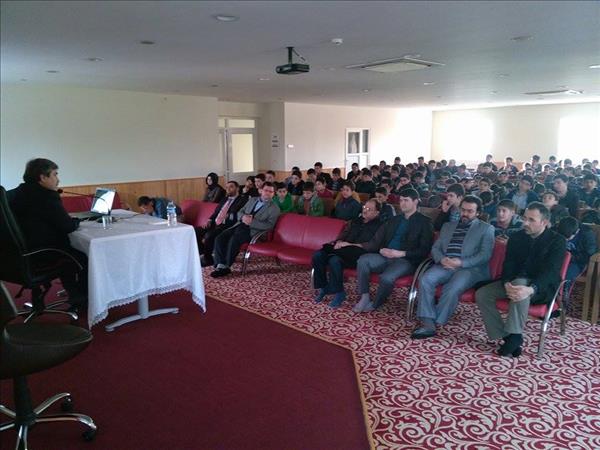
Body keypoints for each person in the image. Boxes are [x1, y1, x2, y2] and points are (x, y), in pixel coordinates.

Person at [475, 202, 566, 357]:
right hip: (514, 283)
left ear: (544, 222)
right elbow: (508, 264)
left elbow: (551, 272)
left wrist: (531, 289)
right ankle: (508, 336)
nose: (525, 223)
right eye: (524, 218)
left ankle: (514, 335)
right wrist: (506, 283)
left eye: (531, 220)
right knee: (482, 294)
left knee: (520, 285)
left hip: (541, 287)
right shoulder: (517, 237)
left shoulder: (557, 241)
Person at [412, 195, 495, 339]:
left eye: (470, 211)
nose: (465, 214)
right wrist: (441, 259)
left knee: (453, 287)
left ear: (478, 213)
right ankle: (428, 322)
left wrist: (461, 263)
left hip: (469, 268)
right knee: (425, 279)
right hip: (445, 264)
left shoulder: (486, 229)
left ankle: (435, 321)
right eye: (463, 210)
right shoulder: (448, 226)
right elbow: (436, 248)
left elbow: (484, 255)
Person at [7, 158, 88, 306]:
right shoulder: (46, 196)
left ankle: (74, 292)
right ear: (43, 177)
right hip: (42, 253)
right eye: (55, 174)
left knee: (68, 253)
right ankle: (82, 297)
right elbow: (67, 226)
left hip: (17, 256)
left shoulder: (14, 193)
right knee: (84, 256)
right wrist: (76, 221)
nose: (58, 179)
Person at [351, 189, 434, 312]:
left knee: (386, 277)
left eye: (406, 200)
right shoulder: (395, 219)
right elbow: (381, 240)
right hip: (386, 255)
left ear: (416, 201)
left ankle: (377, 302)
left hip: (406, 260)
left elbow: (424, 250)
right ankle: (364, 296)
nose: (402, 203)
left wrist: (401, 253)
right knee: (363, 260)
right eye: (401, 200)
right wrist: (381, 249)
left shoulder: (425, 222)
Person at [312, 199, 382, 308]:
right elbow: (344, 234)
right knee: (318, 255)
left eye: (369, 209)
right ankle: (324, 287)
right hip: (343, 250)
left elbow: (373, 245)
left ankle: (339, 292)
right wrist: (339, 241)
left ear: (377, 212)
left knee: (333, 259)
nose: (365, 210)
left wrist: (350, 244)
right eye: (364, 207)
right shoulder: (355, 221)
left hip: (359, 254)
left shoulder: (380, 226)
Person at [211, 182, 280, 277]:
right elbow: (240, 211)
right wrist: (243, 217)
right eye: (266, 190)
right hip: (240, 225)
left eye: (270, 192)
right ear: (261, 191)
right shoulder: (252, 200)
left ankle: (226, 266)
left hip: (254, 231)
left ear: (274, 194)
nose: (267, 193)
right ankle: (219, 264)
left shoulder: (274, 208)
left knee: (234, 240)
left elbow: (270, 225)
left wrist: (252, 222)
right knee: (220, 238)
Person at [195, 181, 247, 266]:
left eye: (231, 187)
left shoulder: (242, 200)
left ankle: (208, 259)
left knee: (209, 235)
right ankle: (202, 253)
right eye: (227, 187)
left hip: (228, 225)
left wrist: (230, 215)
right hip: (215, 223)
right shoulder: (224, 199)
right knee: (195, 231)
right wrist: (209, 219)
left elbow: (240, 213)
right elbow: (216, 212)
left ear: (237, 188)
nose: (228, 189)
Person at [555, 216, 597, 307]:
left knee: (566, 276)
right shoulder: (558, 229)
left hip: (577, 261)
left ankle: (562, 302)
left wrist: (570, 258)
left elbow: (588, 255)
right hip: (559, 258)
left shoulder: (587, 235)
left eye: (568, 238)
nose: (566, 240)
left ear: (577, 231)